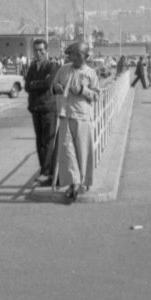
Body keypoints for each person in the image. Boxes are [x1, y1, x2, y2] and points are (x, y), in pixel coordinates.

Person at [50, 41, 100, 202]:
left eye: (78, 55)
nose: (74, 57)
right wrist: (56, 88)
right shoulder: (63, 70)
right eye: (72, 54)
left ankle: (79, 184)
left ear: (85, 56)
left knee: (82, 151)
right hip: (65, 114)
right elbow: (53, 86)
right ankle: (75, 182)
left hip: (83, 117)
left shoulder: (91, 73)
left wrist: (83, 91)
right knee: (66, 150)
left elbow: (97, 95)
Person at [24, 38, 60, 186]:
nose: (38, 53)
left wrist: (34, 84)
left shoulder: (52, 66)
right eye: (36, 50)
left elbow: (48, 84)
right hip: (35, 108)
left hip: (48, 108)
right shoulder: (32, 67)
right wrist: (34, 84)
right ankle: (44, 171)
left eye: (41, 50)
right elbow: (26, 86)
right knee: (39, 141)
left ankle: (47, 172)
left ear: (46, 51)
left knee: (48, 141)